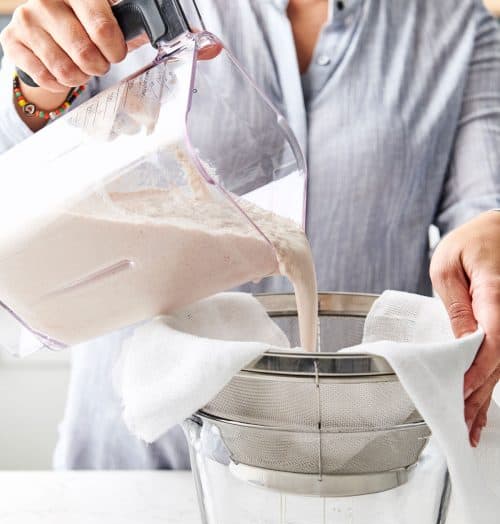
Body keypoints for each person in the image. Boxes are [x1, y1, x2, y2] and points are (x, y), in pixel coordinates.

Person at [0, 0, 499, 468]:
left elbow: (483, 211)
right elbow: (18, 155)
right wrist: (41, 80)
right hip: (135, 471)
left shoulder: (458, 27)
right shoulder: (133, 5)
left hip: (351, 479)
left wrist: (490, 241)